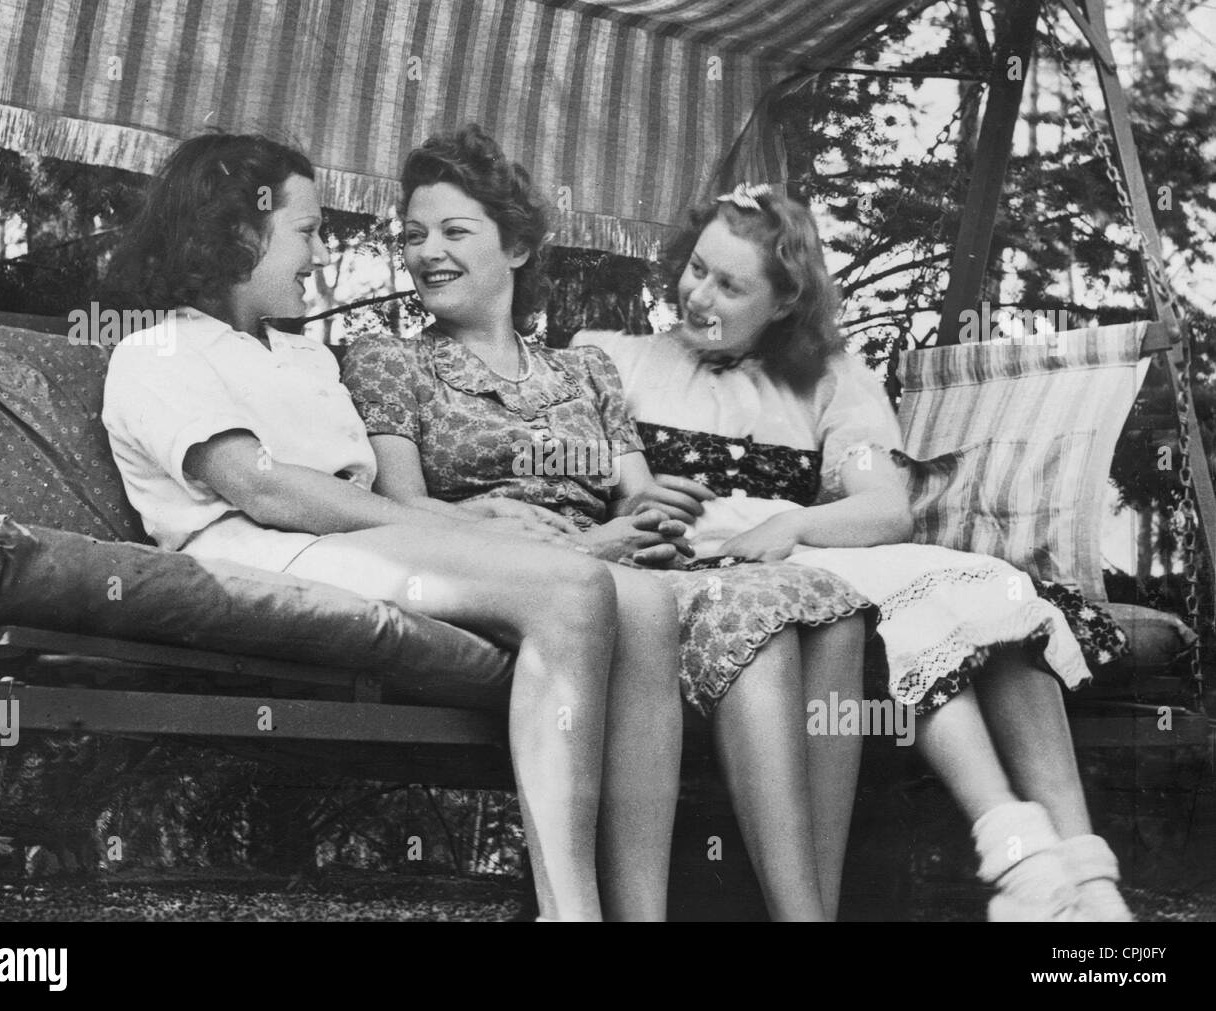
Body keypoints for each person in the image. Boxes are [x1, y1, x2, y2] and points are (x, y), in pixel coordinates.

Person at [99, 132, 688, 922]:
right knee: (575, 590)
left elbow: (368, 494)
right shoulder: (156, 349)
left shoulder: (300, 356)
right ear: (241, 230)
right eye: (306, 231)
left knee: (644, 606)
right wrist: (449, 530)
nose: (318, 253)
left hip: (354, 544)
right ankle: (570, 911)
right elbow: (261, 487)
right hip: (261, 555)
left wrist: (469, 520)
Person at [344, 125, 883, 921]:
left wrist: (651, 509)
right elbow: (399, 506)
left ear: (518, 245)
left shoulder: (583, 369)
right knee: (683, 607)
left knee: (826, 604)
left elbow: (634, 499)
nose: (429, 252)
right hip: (510, 575)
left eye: (456, 231)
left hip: (622, 565)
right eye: (416, 234)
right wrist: (584, 542)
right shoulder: (392, 358)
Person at [575, 181, 1133, 922]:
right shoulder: (616, 361)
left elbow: (885, 507)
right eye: (697, 268)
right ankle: (1019, 853)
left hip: (807, 557)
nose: (697, 294)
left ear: (781, 303)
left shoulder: (828, 380)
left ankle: (1082, 876)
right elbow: (582, 490)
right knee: (917, 598)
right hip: (719, 579)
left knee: (988, 587)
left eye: (730, 284)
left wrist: (794, 527)